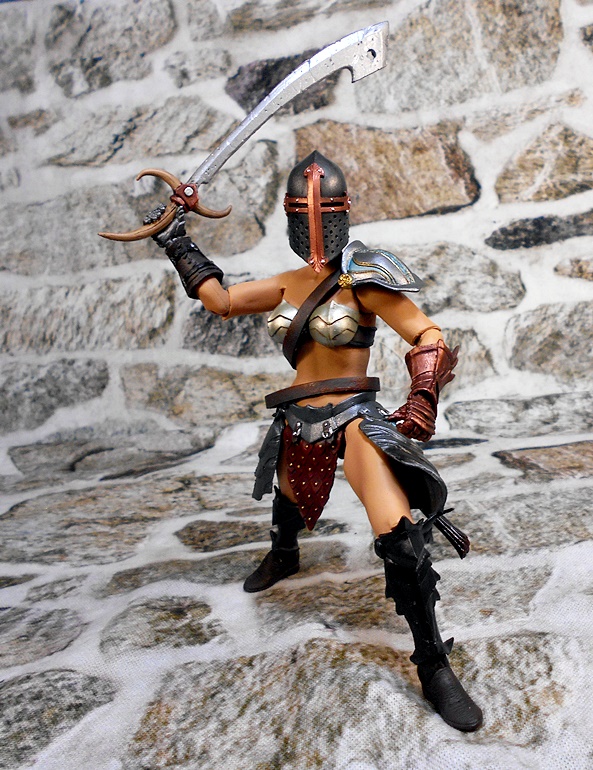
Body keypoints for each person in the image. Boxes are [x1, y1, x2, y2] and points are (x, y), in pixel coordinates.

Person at [148, 150, 483, 732]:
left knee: (397, 530)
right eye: (303, 216)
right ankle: (284, 553)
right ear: (290, 218)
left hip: (354, 415)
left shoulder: (364, 280)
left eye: (321, 214)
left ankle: (433, 662)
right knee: (288, 491)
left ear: (340, 214)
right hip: (297, 414)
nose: (313, 226)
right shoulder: (285, 284)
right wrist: (178, 241)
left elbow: (428, 333)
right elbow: (221, 301)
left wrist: (423, 395)